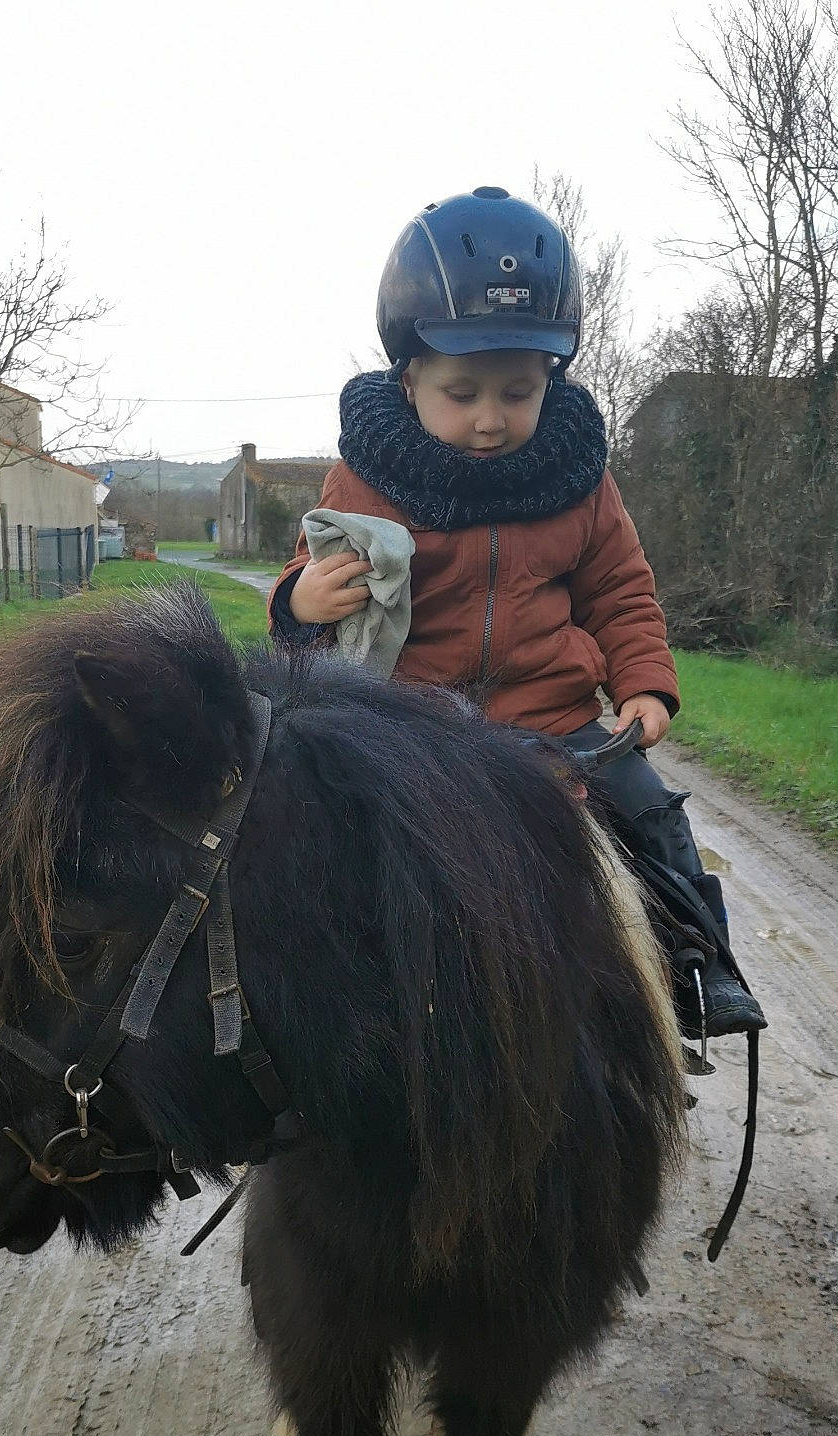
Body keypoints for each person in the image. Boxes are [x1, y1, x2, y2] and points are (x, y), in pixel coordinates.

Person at [269, 186, 765, 1044]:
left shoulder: (579, 475)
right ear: (410, 375)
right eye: (462, 392)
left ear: (553, 379)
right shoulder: (368, 477)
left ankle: (701, 962)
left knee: (650, 814)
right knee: (311, 838)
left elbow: (621, 589)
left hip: (556, 720)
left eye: (517, 391)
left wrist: (646, 684)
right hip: (416, 728)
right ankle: (298, 1009)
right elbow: (314, 576)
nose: (491, 420)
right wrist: (299, 601)